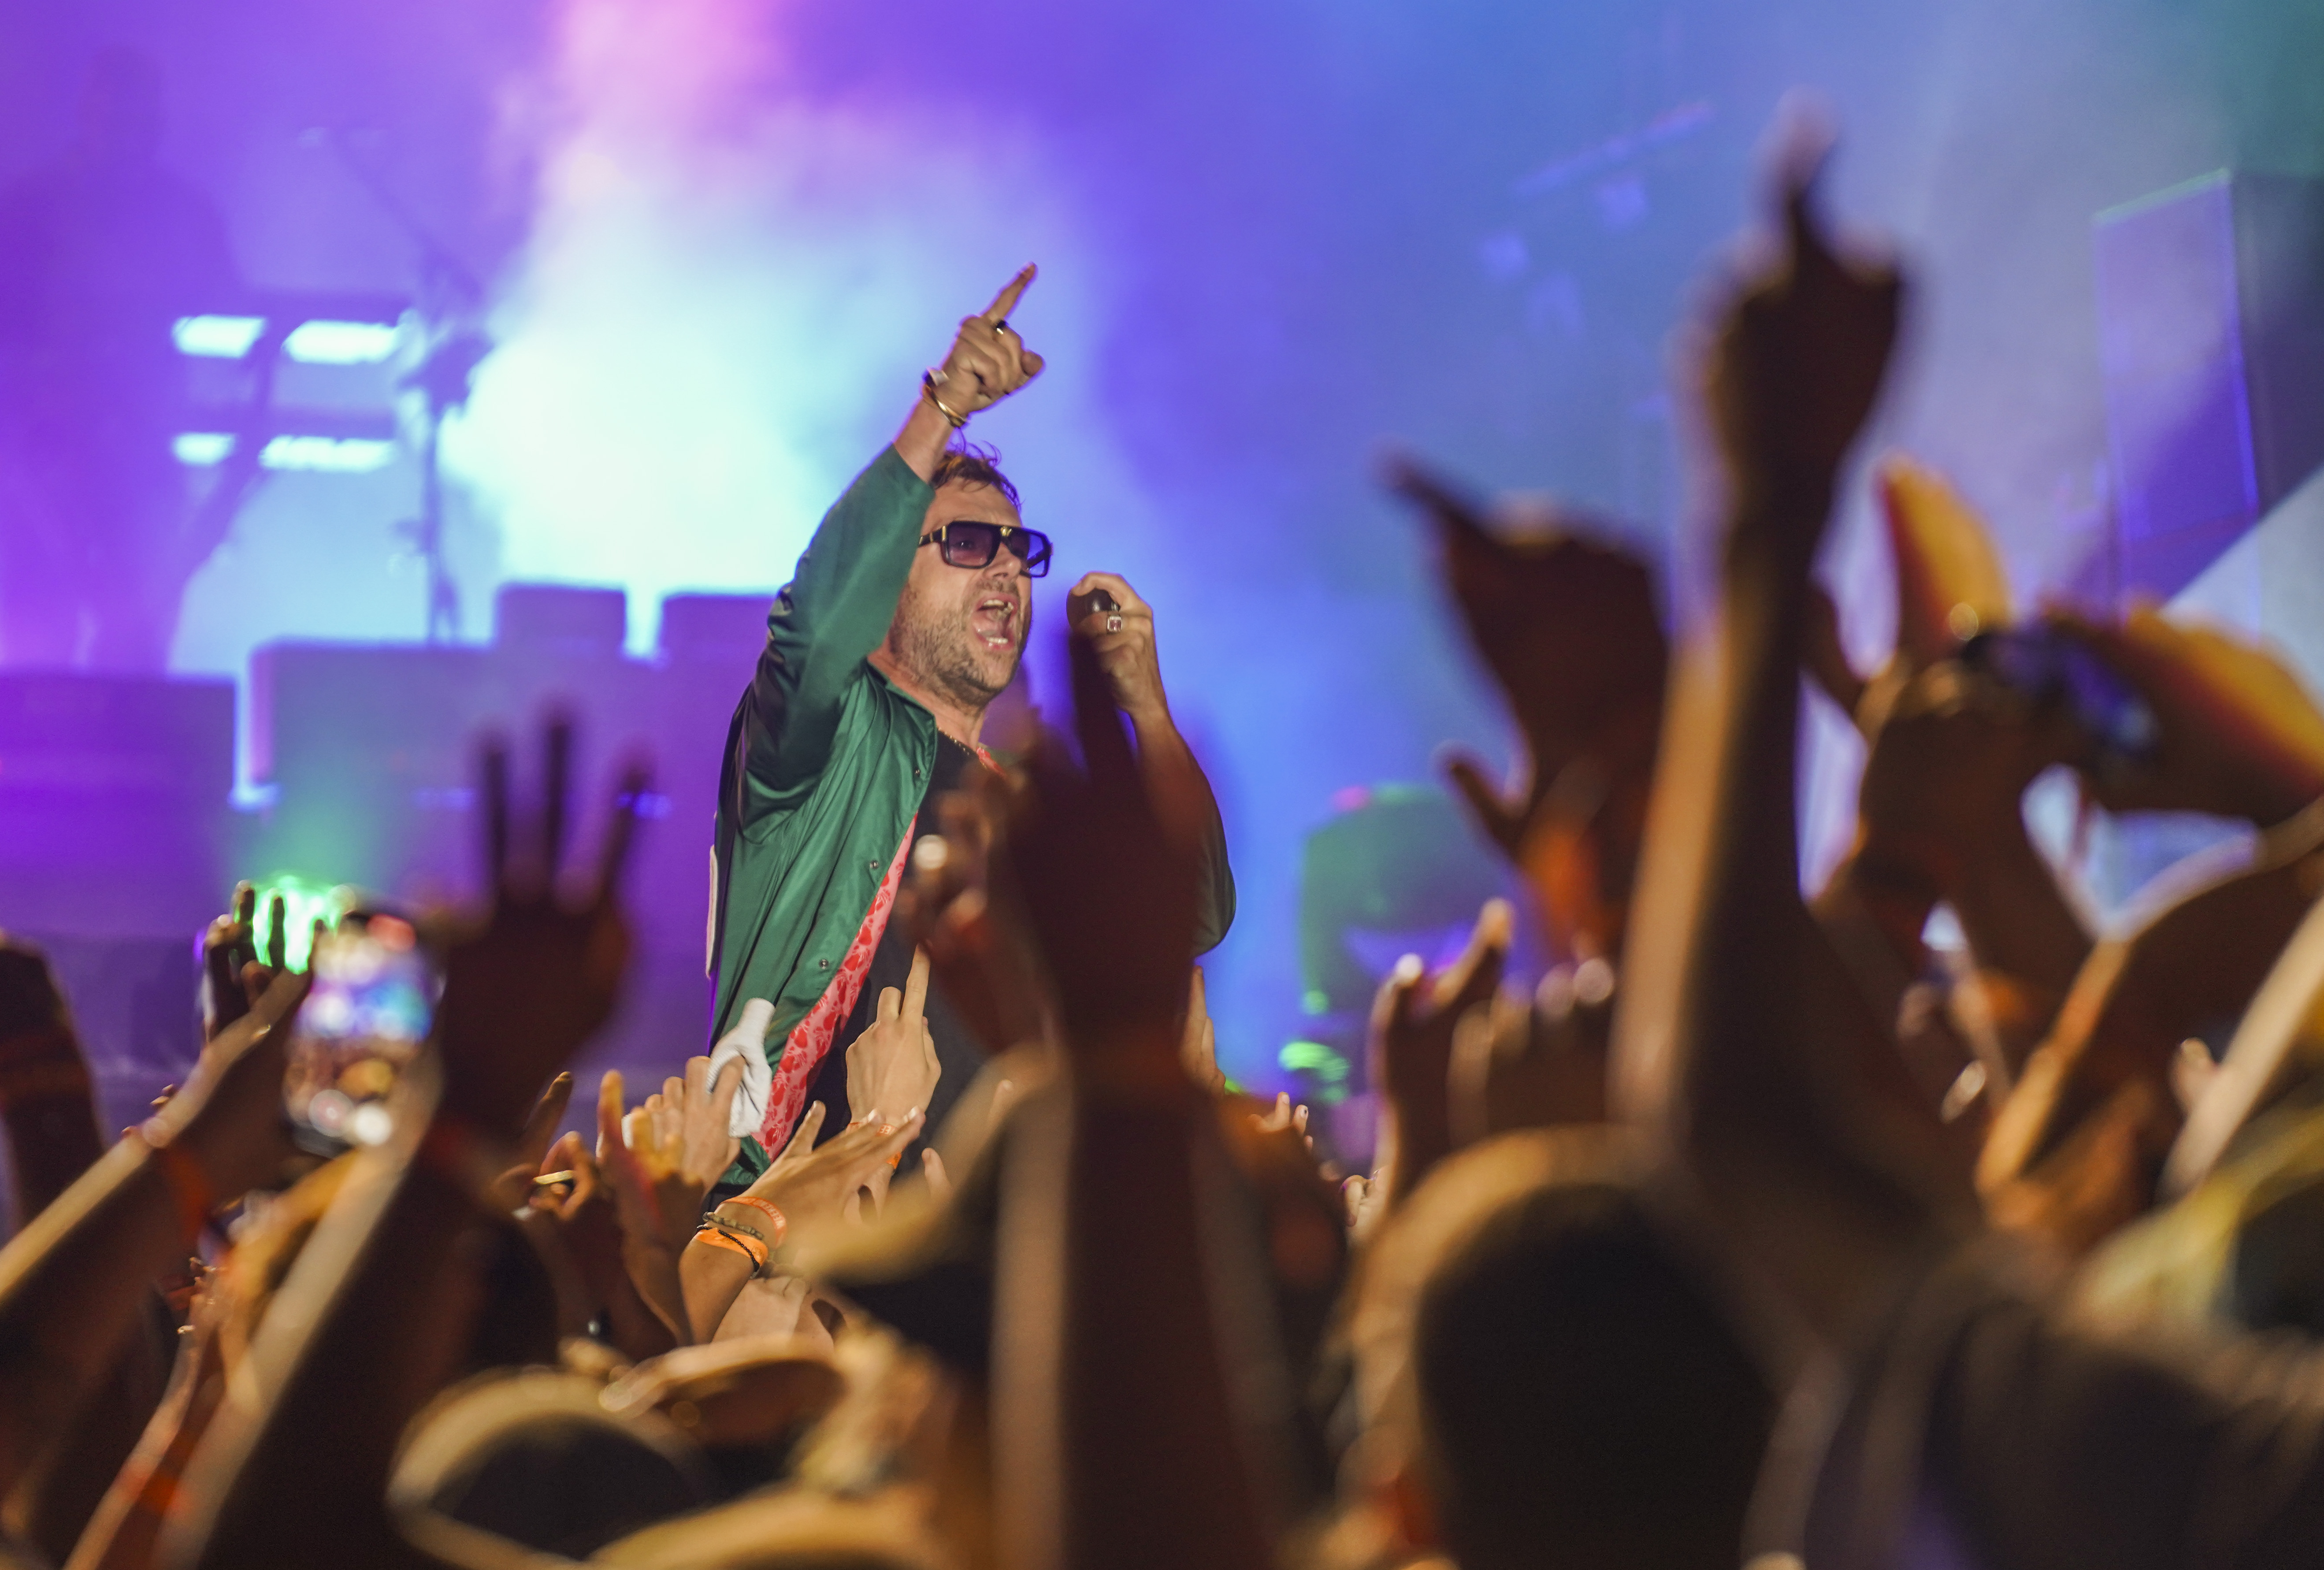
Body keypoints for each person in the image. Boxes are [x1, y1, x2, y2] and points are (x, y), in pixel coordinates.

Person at [706, 265, 1235, 1180]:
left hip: (972, 1261)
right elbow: (814, 628)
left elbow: (1190, 914)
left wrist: (1144, 705)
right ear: (886, 583)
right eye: (964, 543)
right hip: (794, 1255)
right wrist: (945, 405)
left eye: (1018, 552)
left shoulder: (1018, 801)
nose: (1003, 572)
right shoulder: (818, 745)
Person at [0, 45, 240, 670]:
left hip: (139, 442)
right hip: (44, 449)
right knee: (40, 635)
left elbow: (231, 313)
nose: (128, 126)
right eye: (115, 110)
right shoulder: (31, 204)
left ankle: (130, 745)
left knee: (135, 635)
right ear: (86, 113)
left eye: (140, 113)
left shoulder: (184, 211)